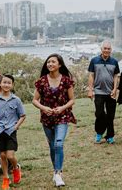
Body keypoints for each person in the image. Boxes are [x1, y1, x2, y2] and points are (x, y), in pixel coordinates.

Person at [32, 53, 76, 187]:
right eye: (48, 62)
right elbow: (34, 100)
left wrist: (62, 108)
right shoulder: (42, 81)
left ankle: (58, 173)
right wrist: (44, 108)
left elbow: (72, 100)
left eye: (53, 62)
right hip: (47, 118)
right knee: (52, 146)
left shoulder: (67, 80)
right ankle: (56, 170)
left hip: (62, 116)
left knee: (58, 144)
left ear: (60, 64)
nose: (50, 64)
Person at [0, 74, 26, 190]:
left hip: (11, 130)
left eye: (9, 83)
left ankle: (15, 168)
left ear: (12, 85)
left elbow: (22, 115)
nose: (6, 85)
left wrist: (16, 126)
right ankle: (5, 179)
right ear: (0, 83)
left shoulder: (16, 100)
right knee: (3, 155)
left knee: (10, 155)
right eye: (4, 82)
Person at [87, 40, 120, 144]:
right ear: (101, 49)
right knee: (99, 113)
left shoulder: (114, 62)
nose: (107, 50)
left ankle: (110, 136)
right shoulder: (94, 60)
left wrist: (115, 89)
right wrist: (90, 90)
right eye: (105, 48)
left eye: (108, 49)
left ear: (111, 50)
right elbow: (91, 75)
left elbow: (116, 76)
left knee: (111, 115)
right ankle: (99, 133)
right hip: (98, 91)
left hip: (111, 92)